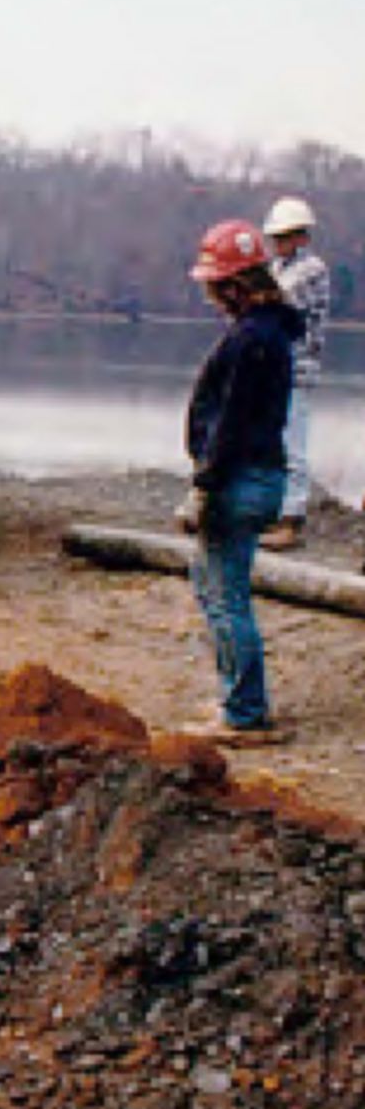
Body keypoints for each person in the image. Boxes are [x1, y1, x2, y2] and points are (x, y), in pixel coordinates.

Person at [179, 217, 302, 742]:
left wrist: (204, 487)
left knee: (226, 595)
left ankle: (246, 713)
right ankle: (239, 699)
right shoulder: (267, 333)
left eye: (213, 287)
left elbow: (232, 421)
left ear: (234, 284)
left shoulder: (254, 340)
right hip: (255, 475)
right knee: (214, 587)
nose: (211, 298)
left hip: (241, 479)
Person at [262, 193, 330, 549]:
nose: (278, 244)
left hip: (297, 370)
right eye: (276, 237)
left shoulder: (311, 270)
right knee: (273, 442)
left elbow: (276, 301)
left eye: (285, 237)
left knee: (293, 446)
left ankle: (291, 518)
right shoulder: (277, 270)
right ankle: (272, 512)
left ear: (302, 236)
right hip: (274, 369)